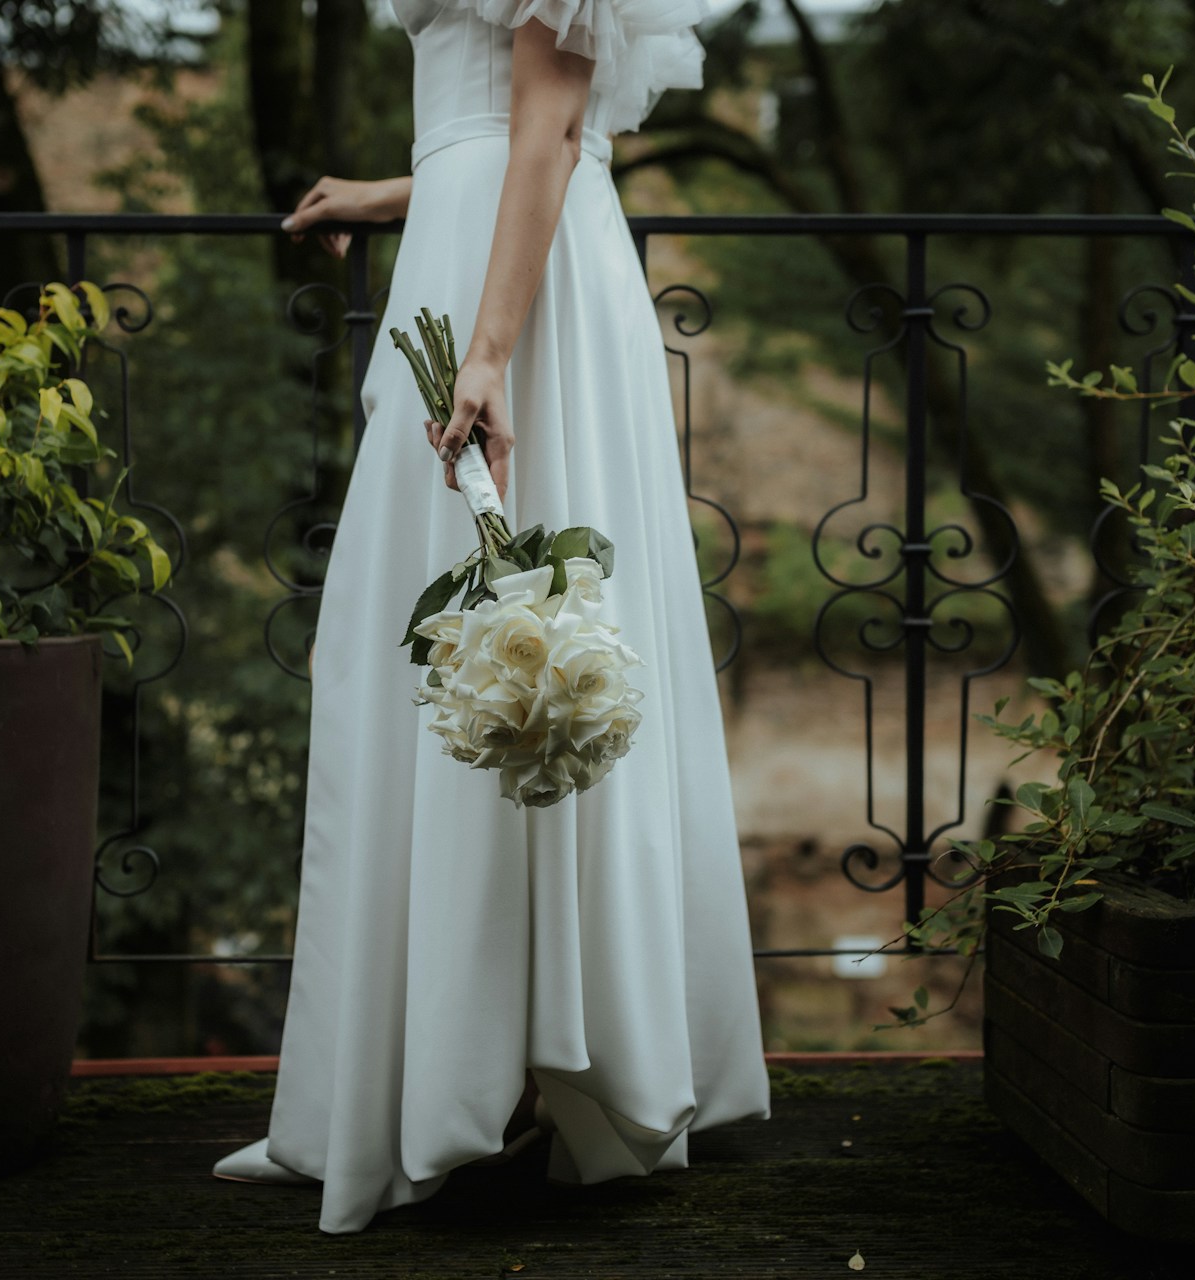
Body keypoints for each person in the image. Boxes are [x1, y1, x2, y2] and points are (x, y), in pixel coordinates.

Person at [210, 0, 770, 1234]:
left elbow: (553, 132)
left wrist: (488, 355)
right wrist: (393, 190)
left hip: (522, 297)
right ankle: (454, 1071)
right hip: (476, 247)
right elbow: (495, 120)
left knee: (508, 635)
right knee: (440, 645)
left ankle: (521, 1076)